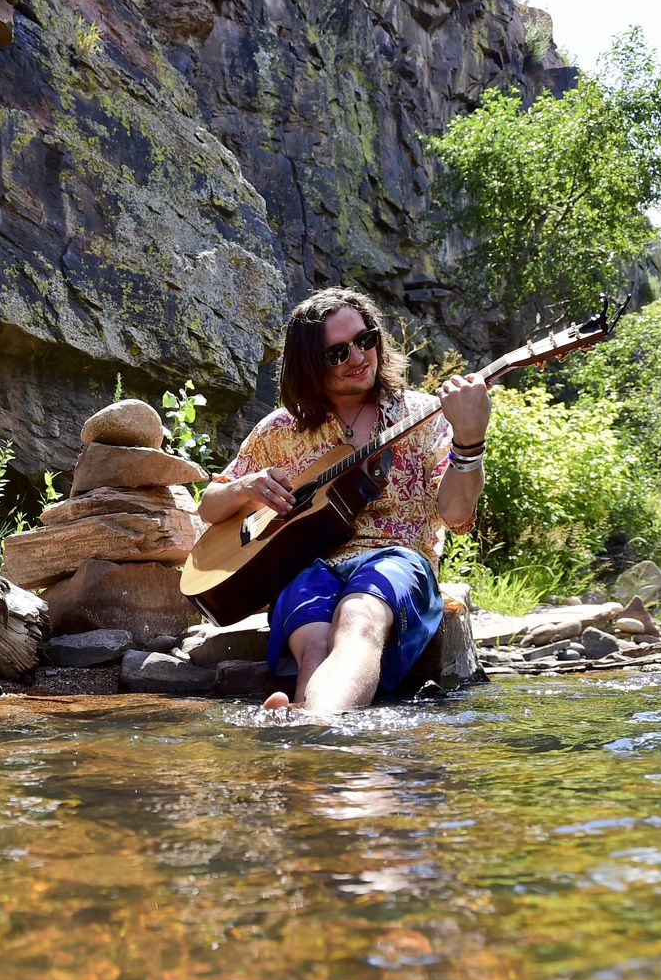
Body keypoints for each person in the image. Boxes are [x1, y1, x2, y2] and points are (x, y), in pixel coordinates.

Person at [195, 288, 490, 712]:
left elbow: (458, 514)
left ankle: (311, 726)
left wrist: (469, 441)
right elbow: (208, 506)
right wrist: (247, 487)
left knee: (359, 617)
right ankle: (315, 731)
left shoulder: (423, 414)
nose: (357, 358)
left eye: (365, 340)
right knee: (312, 642)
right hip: (308, 566)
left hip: (396, 561)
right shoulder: (280, 429)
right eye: (337, 353)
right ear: (309, 365)